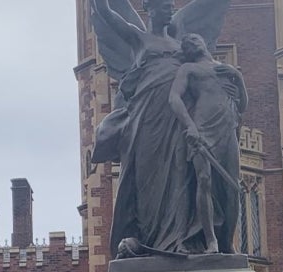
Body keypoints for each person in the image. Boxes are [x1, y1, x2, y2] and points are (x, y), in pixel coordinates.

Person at [89, 0, 237, 257]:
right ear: (151, 9)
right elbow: (106, 13)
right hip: (147, 119)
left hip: (178, 119)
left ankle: (181, 241)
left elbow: (206, 69)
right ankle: (152, 241)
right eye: (163, 6)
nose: (169, 10)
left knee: (182, 177)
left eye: (170, 6)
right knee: (149, 179)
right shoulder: (139, 38)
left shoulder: (183, 44)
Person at [169, 32, 247, 255]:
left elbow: (243, 106)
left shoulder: (226, 70)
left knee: (232, 188)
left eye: (195, 39)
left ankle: (227, 242)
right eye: (187, 43)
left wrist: (238, 78)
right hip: (202, 131)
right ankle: (210, 240)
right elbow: (174, 98)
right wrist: (189, 126)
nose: (192, 42)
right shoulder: (189, 70)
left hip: (227, 130)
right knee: (204, 181)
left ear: (204, 42)